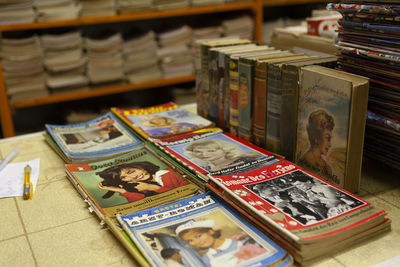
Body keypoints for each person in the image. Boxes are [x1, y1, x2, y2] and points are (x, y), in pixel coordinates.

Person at [175, 219, 266, 267]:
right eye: (190, 240)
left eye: (198, 236)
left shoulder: (243, 241)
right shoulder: (206, 259)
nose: (196, 242)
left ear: (210, 231)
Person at [96, 161, 189, 202]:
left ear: (140, 166)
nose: (133, 176)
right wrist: (122, 191)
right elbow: (140, 202)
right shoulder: (142, 187)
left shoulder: (172, 174)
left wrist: (153, 188)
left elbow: (186, 193)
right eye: (124, 177)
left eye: (131, 171)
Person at [298, 109, 337, 181]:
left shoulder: (326, 167)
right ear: (316, 137)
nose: (330, 144)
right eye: (327, 138)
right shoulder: (305, 161)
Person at [184, 139, 262, 172]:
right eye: (198, 152)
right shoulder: (204, 167)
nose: (204, 155)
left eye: (211, 151)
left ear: (225, 150)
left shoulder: (246, 161)